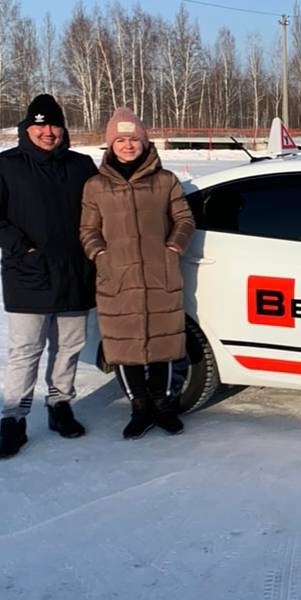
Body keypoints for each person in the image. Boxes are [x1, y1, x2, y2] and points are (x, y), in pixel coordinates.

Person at [0, 94, 98, 459]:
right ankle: (13, 420)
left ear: (63, 129)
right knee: (25, 351)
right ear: (27, 128)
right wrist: (17, 245)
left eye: (53, 124)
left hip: (74, 273)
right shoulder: (4, 165)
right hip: (27, 274)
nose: (47, 132)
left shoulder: (81, 166)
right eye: (39, 125)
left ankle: (60, 406)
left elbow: (102, 209)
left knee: (69, 347)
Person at [79, 108, 195, 439]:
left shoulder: (165, 181)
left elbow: (184, 219)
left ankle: (163, 406)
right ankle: (139, 408)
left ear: (144, 143)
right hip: (117, 280)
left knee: (162, 345)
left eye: (134, 139)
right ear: (110, 145)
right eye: (121, 140)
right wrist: (100, 255)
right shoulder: (95, 186)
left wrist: (172, 249)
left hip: (160, 277)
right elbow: (87, 230)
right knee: (125, 348)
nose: (128, 146)